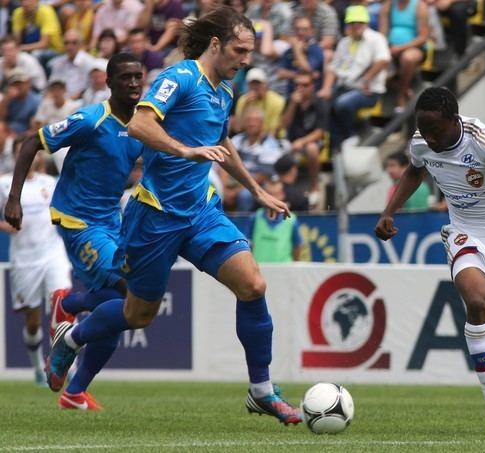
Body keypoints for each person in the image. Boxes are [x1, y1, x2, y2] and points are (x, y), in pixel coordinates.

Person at [39, 6, 301, 424]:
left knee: (252, 285)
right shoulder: (178, 78)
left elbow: (221, 142)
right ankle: (72, 336)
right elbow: (141, 126)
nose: (246, 60)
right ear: (216, 45)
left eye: (249, 52)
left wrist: (257, 190)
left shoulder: (225, 90)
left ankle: (262, 390)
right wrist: (184, 150)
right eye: (240, 50)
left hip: (200, 211)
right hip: (155, 215)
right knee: (136, 315)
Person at [375, 87, 485, 434]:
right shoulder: (422, 141)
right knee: (477, 300)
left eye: (435, 129)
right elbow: (414, 170)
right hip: (468, 235)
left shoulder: (483, 140)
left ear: (455, 120)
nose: (430, 137)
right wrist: (389, 211)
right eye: (423, 129)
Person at [4, 53, 145, 411]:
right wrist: (14, 199)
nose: (133, 83)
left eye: (138, 77)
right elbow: (32, 142)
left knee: (118, 316)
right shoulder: (91, 119)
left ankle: (74, 391)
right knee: (128, 290)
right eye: (125, 77)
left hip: (112, 223)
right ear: (109, 83)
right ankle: (69, 304)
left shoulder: (143, 127)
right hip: (78, 221)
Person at [0, 136, 71, 385]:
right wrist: (4, 225)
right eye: (22, 154)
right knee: (32, 322)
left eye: (30, 154)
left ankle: (63, 365)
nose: (28, 158)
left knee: (63, 304)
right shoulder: (4, 183)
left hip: (53, 253)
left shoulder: (49, 183)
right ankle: (38, 368)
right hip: (24, 260)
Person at [317, 5, 390, 150]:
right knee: (321, 102)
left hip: (368, 90)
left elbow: (383, 60)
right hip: (345, 86)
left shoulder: (376, 38)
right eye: (352, 23)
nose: (356, 25)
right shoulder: (345, 42)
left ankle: (350, 135)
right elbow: (333, 68)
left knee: (343, 103)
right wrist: (326, 88)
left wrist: (367, 79)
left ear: (366, 23)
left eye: (359, 22)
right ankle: (339, 140)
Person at [282, 70, 328, 208]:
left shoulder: (321, 104)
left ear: (312, 86)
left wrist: (302, 142)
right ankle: (282, 191)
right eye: (297, 85)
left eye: (305, 85)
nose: (300, 88)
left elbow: (320, 132)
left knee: (312, 149)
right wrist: (293, 105)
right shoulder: (290, 101)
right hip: (290, 142)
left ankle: (314, 187)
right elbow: (284, 125)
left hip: (311, 142)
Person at [247, 179, 303, 263]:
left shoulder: (292, 219)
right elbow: (248, 244)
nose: (273, 198)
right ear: (263, 197)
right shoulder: (255, 217)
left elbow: (297, 246)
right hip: (259, 269)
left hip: (284, 270)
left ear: (282, 195)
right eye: (269, 194)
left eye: (276, 194)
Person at [0, 68, 41, 134]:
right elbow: (1, 119)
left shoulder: (36, 100)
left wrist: (18, 137)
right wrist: (6, 100)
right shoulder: (8, 98)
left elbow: (35, 128)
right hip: (7, 133)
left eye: (20, 83)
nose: (18, 86)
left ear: (28, 84)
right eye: (15, 84)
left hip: (24, 136)